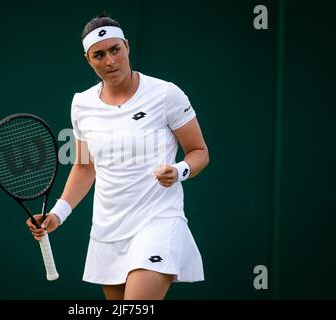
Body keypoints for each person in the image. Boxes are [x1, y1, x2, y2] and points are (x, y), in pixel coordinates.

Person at [26, 14, 209, 300]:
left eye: (115, 50)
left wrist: (179, 170)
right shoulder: (82, 104)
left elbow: (199, 152)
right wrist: (57, 215)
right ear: (89, 60)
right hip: (107, 231)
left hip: (158, 221)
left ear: (126, 47)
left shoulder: (166, 94)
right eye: (99, 55)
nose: (110, 61)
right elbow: (85, 167)